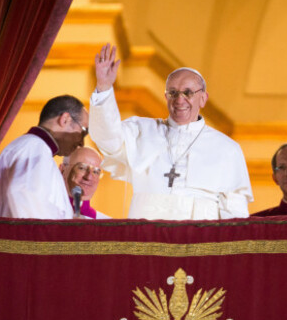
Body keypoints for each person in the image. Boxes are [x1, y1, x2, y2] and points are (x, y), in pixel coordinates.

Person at [88, 43, 253, 220]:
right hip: (147, 237)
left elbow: (235, 212)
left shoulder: (227, 148)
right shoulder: (140, 131)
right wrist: (104, 87)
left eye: (188, 93)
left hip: (200, 240)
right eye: (173, 93)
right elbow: (107, 139)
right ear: (166, 97)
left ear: (203, 99)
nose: (179, 100)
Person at [0, 95, 88, 219]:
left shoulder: (35, 147)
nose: (81, 143)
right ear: (65, 120)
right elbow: (24, 196)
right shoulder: (34, 147)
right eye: (84, 132)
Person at [60, 146, 110, 219]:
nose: (89, 177)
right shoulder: (43, 212)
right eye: (81, 168)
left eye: (96, 172)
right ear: (63, 170)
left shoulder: (108, 225)